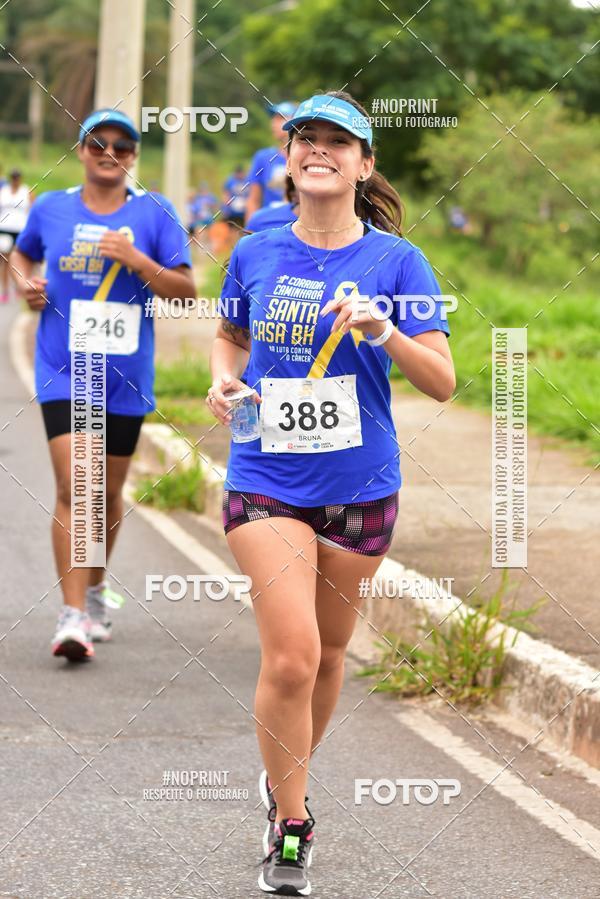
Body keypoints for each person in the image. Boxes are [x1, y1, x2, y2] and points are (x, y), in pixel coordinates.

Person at [206, 90, 456, 895]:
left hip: (360, 487)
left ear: (363, 163)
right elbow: (229, 333)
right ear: (289, 160)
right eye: (305, 139)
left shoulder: (397, 262)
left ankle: (285, 775)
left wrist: (384, 331)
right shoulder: (256, 249)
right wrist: (221, 378)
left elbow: (444, 380)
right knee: (293, 656)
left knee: (332, 653)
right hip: (265, 480)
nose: (320, 150)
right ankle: (292, 819)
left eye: (337, 142)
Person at [9, 108, 194, 662]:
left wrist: (136, 258)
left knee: (107, 495)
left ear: (134, 155)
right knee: (76, 487)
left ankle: (93, 591)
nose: (109, 151)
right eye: (98, 142)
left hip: (124, 376)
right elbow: (22, 254)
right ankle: (71, 617)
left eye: (122, 144)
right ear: (81, 149)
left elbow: (184, 289)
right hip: (64, 368)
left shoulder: (154, 212)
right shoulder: (52, 207)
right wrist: (27, 286)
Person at [244, 102, 296, 223]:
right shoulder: (262, 157)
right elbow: (253, 200)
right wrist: (250, 233)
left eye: (280, 118)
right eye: (273, 119)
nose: (273, 123)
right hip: (268, 226)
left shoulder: (307, 157)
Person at [0, 169, 33, 302]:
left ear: (20, 178)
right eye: (13, 178)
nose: (15, 180)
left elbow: (33, 210)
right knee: (4, 261)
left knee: (18, 259)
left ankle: (19, 287)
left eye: (17, 178)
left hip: (21, 230)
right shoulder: (4, 191)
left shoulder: (27, 191)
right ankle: (5, 290)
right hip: (5, 229)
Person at [221, 164, 250, 242]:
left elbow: (251, 195)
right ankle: (232, 244)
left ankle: (242, 243)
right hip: (232, 210)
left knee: (244, 228)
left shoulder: (247, 181)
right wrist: (225, 208)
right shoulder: (230, 181)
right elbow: (226, 195)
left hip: (244, 210)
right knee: (232, 228)